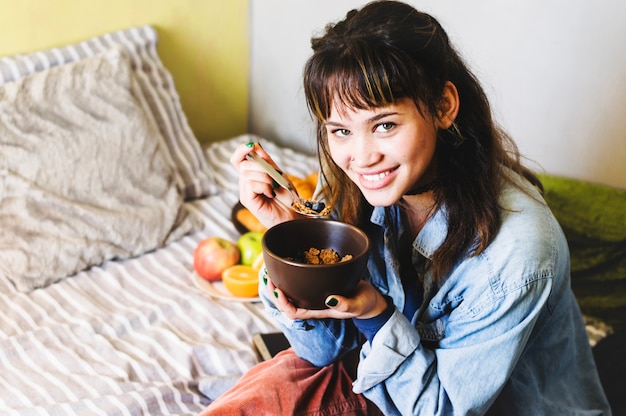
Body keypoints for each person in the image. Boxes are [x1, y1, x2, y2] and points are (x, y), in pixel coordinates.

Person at [202, 1, 611, 415]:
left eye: (385, 125)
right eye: (341, 131)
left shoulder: (515, 253)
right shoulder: (358, 186)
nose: (361, 157)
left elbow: (443, 409)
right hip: (401, 378)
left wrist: (377, 316)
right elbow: (321, 351)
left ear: (444, 107)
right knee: (278, 382)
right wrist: (292, 241)